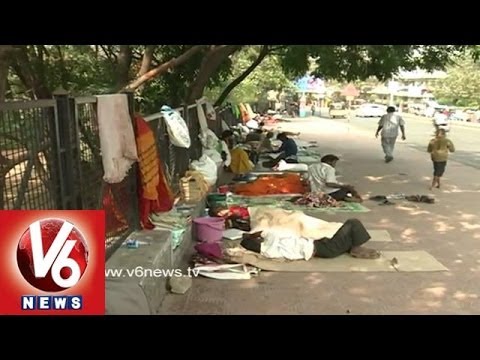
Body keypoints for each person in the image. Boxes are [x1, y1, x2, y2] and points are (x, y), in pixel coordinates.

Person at [240, 218, 380, 260]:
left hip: (320, 246)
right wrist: (251, 236)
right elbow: (262, 233)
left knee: (347, 234)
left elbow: (259, 237)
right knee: (353, 223)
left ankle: (352, 247)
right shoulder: (270, 245)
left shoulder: (270, 248)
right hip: (325, 249)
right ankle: (355, 249)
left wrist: (250, 240)